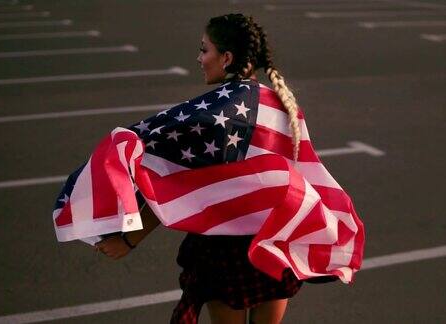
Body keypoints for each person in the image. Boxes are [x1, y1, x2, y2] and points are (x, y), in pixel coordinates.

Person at [95, 13, 312, 324]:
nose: (199, 58)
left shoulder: (217, 112)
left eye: (204, 50)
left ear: (226, 58)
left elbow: (179, 185)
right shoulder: (282, 104)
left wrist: (128, 239)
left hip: (226, 251)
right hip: (275, 242)